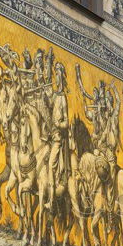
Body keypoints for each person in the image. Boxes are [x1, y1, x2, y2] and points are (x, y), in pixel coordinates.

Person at [45, 62, 70, 209]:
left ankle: (52, 200)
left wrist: (58, 124)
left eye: (59, 74)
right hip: (49, 136)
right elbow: (47, 105)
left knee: (50, 164)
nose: (57, 77)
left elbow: (66, 121)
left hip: (57, 139)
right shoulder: (54, 96)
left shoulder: (62, 98)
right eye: (56, 74)